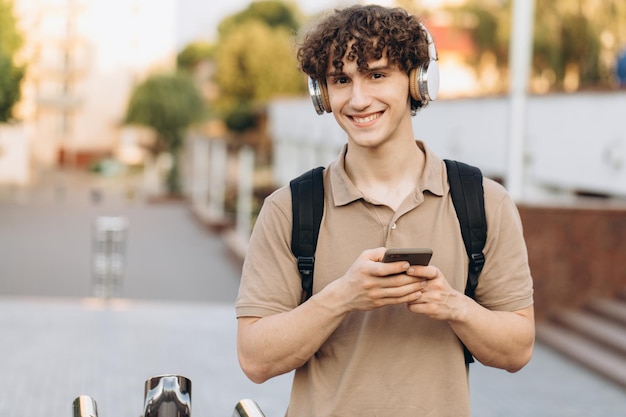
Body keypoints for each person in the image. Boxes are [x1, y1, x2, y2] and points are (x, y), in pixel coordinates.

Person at [235, 4, 534, 416]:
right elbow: (254, 359)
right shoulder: (289, 208)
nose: (358, 99)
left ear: (417, 80)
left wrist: (453, 305)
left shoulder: (483, 201)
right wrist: (342, 296)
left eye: (377, 74)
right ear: (322, 94)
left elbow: (519, 348)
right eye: (341, 80)